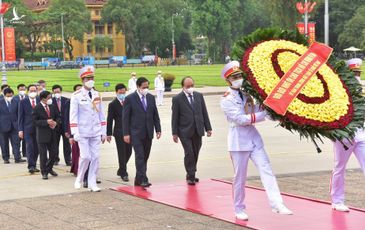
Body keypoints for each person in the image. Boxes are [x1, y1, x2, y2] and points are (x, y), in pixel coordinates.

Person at [220, 61, 292, 220]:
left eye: (239, 75)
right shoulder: (226, 99)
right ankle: (239, 208)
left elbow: (261, 110)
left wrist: (275, 114)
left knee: (267, 170)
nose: (239, 78)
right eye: (235, 77)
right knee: (240, 178)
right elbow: (240, 119)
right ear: (228, 80)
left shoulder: (248, 94)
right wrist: (262, 116)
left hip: (253, 139)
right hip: (238, 141)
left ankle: (277, 204)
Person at [331, 58, 365, 212]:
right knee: (339, 168)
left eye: (358, 73)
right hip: (343, 136)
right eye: (354, 73)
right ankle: (337, 201)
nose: (357, 77)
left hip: (361, 134)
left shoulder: (361, 91)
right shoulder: (338, 92)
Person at [69, 65, 106, 192]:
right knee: (85, 157)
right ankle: (79, 178)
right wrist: (75, 132)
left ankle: (92, 182)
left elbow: (101, 114)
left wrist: (103, 132)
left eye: (92, 78)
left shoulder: (97, 94)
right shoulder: (76, 95)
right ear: (82, 80)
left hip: (95, 131)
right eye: (87, 78)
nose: (90, 80)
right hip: (82, 131)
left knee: (95, 157)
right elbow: (73, 116)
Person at [171, 77, 212, 185]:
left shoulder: (199, 96)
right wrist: (174, 133)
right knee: (189, 152)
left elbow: (204, 112)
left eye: (192, 86)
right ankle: (191, 175)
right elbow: (174, 117)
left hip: (198, 129)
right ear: (183, 87)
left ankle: (191, 173)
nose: (190, 88)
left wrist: (208, 128)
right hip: (184, 130)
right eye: (188, 86)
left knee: (195, 152)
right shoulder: (177, 99)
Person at [123, 77, 161, 187]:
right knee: (140, 155)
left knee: (145, 156)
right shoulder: (130, 98)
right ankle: (144, 178)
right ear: (138, 87)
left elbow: (155, 114)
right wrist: (126, 133)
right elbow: (125, 117)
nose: (146, 89)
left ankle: (138, 178)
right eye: (144, 87)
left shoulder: (150, 97)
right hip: (135, 133)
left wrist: (158, 129)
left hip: (148, 132)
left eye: (147, 87)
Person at [107, 83, 132, 182]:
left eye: (124, 91)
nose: (122, 93)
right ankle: (124, 173)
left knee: (129, 151)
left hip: (129, 131)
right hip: (119, 132)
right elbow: (109, 120)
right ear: (116, 92)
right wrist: (108, 133)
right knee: (122, 152)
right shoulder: (113, 104)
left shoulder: (129, 102)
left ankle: (121, 169)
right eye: (120, 91)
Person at [32, 91, 60, 180]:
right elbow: (34, 121)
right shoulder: (37, 108)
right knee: (43, 156)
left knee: (54, 154)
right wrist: (46, 122)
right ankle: (44, 172)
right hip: (42, 135)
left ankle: (49, 168)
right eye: (49, 97)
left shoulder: (52, 106)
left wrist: (56, 123)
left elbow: (58, 117)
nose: (50, 99)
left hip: (52, 134)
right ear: (43, 98)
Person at [18, 84, 40, 174]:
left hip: (39, 129)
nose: (33, 92)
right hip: (27, 128)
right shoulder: (23, 101)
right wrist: (20, 130)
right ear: (28, 92)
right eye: (31, 91)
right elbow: (20, 116)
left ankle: (34, 164)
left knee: (37, 148)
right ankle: (31, 166)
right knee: (30, 147)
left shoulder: (40, 100)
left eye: (34, 90)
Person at [0, 88, 24, 164]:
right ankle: (6, 158)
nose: (10, 97)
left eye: (11, 95)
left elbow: (19, 114)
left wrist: (19, 125)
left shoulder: (16, 101)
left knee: (16, 142)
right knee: (4, 143)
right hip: (3, 126)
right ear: (4, 95)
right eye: (8, 96)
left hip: (15, 126)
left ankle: (17, 158)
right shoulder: (0, 102)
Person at [51, 84, 71, 166]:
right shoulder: (51, 101)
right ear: (53, 92)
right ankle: (55, 159)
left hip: (65, 125)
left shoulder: (66, 100)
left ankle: (68, 159)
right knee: (55, 143)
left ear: (61, 91)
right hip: (55, 126)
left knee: (67, 144)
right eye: (55, 92)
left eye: (58, 91)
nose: (57, 93)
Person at [68, 84, 82, 176]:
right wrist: (71, 134)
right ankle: (77, 169)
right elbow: (69, 119)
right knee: (77, 152)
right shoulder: (71, 102)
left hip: (87, 130)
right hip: (76, 131)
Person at [14, 84, 27, 157]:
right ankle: (17, 154)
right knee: (17, 140)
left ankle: (25, 153)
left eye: (23, 89)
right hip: (17, 122)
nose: (22, 91)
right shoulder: (14, 99)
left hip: (26, 122)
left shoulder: (28, 98)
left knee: (26, 139)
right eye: (21, 89)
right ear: (18, 90)